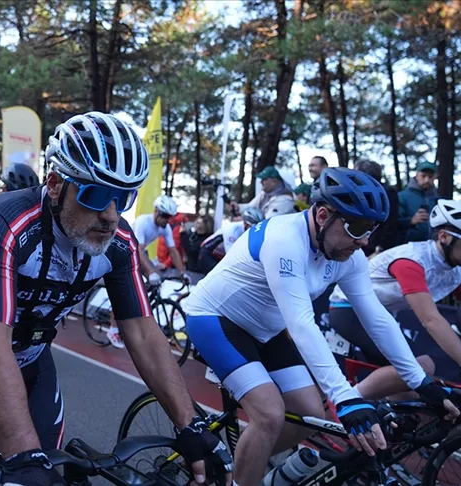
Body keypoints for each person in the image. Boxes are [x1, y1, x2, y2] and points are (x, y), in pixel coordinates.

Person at [0, 112, 230, 486]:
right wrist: (21, 454)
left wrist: (190, 424)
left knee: (49, 466)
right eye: (96, 195)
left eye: (123, 197)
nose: (111, 215)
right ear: (54, 184)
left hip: (30, 353)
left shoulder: (119, 243)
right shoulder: (3, 221)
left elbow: (145, 334)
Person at [183, 167, 459, 486]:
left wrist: (422, 382)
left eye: (372, 228)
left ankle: (241, 459)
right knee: (270, 414)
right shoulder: (285, 239)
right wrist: (345, 398)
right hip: (215, 320)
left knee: (310, 415)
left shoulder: (349, 257)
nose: (365, 240)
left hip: (264, 331)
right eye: (357, 227)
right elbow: (301, 323)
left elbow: (378, 319)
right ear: (324, 215)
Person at [329, 199, 461, 398]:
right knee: (421, 366)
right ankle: (344, 408)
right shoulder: (412, 261)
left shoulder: (453, 268)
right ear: (444, 237)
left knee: (415, 395)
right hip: (349, 311)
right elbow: (431, 320)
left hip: (377, 314)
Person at [106, 195, 189, 348]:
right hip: (120, 249)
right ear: (156, 212)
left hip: (137, 251)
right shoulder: (144, 222)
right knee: (124, 290)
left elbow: (173, 252)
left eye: (169, 217)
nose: (167, 220)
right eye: (164, 216)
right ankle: (113, 329)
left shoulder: (166, 228)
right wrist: (150, 271)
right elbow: (137, 250)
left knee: (153, 280)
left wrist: (182, 272)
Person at [196, 207, 264, 274]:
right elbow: (231, 257)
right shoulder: (232, 230)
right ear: (245, 223)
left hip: (219, 254)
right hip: (207, 252)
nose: (255, 231)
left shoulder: (247, 230)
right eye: (252, 227)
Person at [354, 160, 399, 256]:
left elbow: (391, 224)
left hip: (375, 249)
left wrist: (380, 249)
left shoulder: (387, 193)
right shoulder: (356, 192)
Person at [230, 165, 295, 219]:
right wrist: (238, 207)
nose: (261, 182)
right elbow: (250, 207)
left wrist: (243, 220)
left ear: (275, 181)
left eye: (264, 179)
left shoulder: (285, 200)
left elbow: (268, 221)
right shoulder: (264, 194)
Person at [398, 161, 439, 244]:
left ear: (435, 177)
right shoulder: (402, 196)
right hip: (408, 246)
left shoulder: (437, 200)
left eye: (430, 177)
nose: (427, 180)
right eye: (423, 176)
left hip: (433, 247)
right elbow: (393, 224)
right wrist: (411, 221)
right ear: (417, 175)